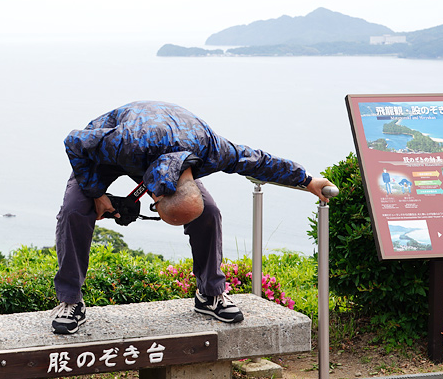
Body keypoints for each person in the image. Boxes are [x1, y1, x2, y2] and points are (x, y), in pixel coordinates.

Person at [51, 100, 335, 334]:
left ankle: (210, 293)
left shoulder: (213, 150)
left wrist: (307, 180)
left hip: (176, 143)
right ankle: (69, 300)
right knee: (75, 211)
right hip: (105, 154)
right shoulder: (122, 142)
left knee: (209, 213)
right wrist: (96, 192)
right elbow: (74, 142)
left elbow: (260, 162)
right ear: (156, 195)